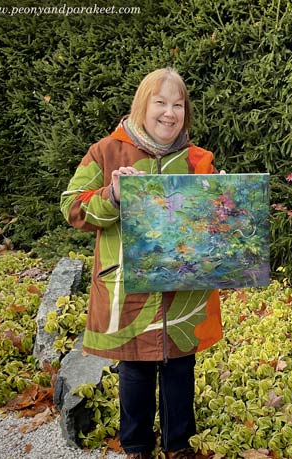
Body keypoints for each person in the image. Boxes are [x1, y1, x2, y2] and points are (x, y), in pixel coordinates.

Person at [60, 68, 223, 459]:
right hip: (128, 286)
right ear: (142, 105)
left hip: (183, 291)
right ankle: (135, 444)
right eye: (160, 103)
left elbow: (221, 218)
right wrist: (112, 195)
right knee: (134, 368)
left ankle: (178, 443)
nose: (169, 113)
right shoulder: (106, 152)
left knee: (180, 367)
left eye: (178, 105)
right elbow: (72, 205)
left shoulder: (200, 161)